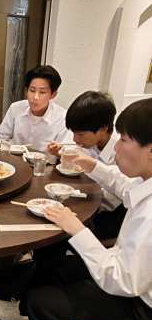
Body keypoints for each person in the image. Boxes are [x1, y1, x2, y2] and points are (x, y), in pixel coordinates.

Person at [25, 97, 152, 320]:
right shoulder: (146, 181)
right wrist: (90, 164)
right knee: (55, 266)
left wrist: (77, 229)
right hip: (131, 279)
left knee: (39, 302)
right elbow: (125, 185)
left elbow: (121, 281)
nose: (116, 147)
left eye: (124, 140)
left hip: (142, 310)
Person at [48, 90, 125, 239]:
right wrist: (59, 154)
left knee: (54, 234)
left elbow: (106, 202)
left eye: (80, 134)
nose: (75, 139)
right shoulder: (90, 143)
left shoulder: (120, 154)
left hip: (106, 217)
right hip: (85, 202)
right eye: (73, 133)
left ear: (103, 129)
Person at [0, 65, 72, 149]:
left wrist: (57, 151)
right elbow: (2, 138)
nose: (35, 97)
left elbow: (65, 150)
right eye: (32, 90)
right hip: (13, 157)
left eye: (42, 92)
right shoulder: (16, 108)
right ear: (26, 91)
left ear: (53, 94)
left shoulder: (62, 117)